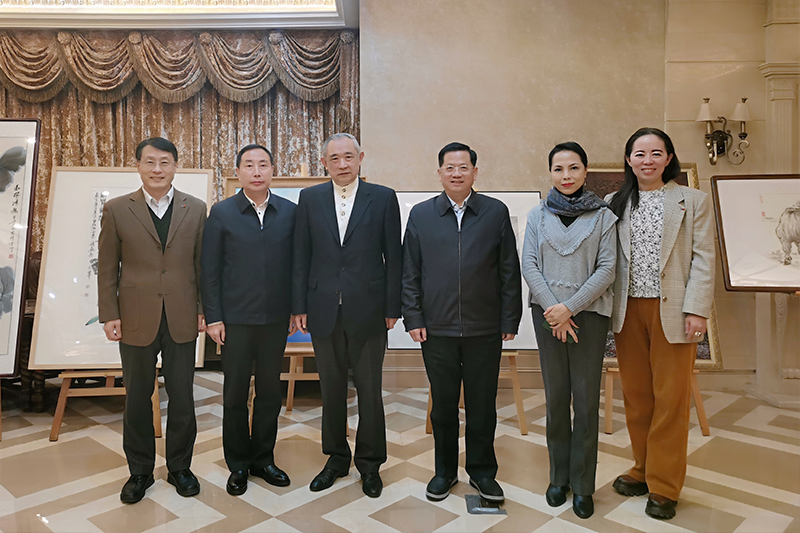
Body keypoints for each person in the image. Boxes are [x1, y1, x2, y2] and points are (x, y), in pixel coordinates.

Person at [402, 142, 522, 503]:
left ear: (474, 171)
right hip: (435, 328)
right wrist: (413, 316)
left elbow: (508, 270)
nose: (457, 173)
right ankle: (444, 472)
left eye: (464, 167)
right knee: (443, 406)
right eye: (449, 167)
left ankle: (483, 473)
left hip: (484, 327)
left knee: (482, 405)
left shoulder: (494, 212)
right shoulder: (422, 215)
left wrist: (509, 317)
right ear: (439, 172)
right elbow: (410, 271)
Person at [606, 128, 714, 520]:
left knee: (671, 399)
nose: (647, 160)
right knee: (637, 397)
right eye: (639, 153)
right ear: (629, 159)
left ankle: (665, 486)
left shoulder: (693, 201)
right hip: (627, 310)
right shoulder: (613, 202)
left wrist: (697, 308)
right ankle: (643, 468)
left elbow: (704, 259)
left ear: (669, 158)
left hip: (674, 310)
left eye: (656, 153)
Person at [292, 132, 402, 498]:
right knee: (332, 389)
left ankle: (370, 465)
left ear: (361, 158)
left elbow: (394, 258)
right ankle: (336, 458)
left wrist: (392, 307)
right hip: (323, 309)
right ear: (325, 162)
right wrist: (300, 306)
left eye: (348, 157)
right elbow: (301, 256)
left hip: (369, 310)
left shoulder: (383, 198)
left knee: (370, 391)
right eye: (334, 158)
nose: (342, 164)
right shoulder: (309, 199)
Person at [98, 137, 207, 504]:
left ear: (176, 166)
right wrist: (109, 313)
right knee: (137, 397)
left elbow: (201, 267)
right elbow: (107, 268)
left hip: (181, 316)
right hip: (134, 317)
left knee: (183, 397)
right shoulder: (116, 209)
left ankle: (180, 466)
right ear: (139, 166)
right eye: (150, 162)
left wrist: (204, 310)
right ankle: (140, 471)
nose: (157, 169)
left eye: (164, 162)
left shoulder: (196, 208)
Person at [521, 141, 617, 519]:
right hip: (547, 317)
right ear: (550, 173)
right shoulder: (537, 215)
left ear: (585, 170)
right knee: (557, 398)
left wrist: (569, 308)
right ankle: (558, 478)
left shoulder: (604, 217)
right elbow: (529, 264)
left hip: (588, 319)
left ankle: (583, 485)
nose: (566, 176)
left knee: (586, 401)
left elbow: (607, 269)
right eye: (559, 169)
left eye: (573, 168)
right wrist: (553, 310)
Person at [200, 144, 296, 496]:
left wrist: (295, 309)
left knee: (270, 392)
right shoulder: (222, 213)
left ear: (273, 170)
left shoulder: (289, 212)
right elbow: (209, 270)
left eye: (264, 165)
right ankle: (238, 463)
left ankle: (263, 459)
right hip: (235, 320)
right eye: (249, 165)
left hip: (275, 319)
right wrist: (214, 317)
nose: (257, 171)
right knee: (235, 393)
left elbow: (297, 266)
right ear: (238, 172)